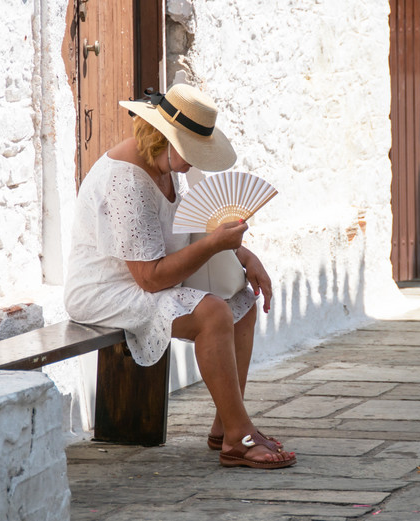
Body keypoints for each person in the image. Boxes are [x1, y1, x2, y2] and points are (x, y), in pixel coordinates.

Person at [64, 83, 296, 469]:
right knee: (213, 313)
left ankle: (227, 426)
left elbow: (195, 225)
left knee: (241, 300)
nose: (192, 163)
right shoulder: (126, 182)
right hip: (105, 289)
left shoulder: (164, 162)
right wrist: (215, 246)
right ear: (161, 137)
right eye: (189, 152)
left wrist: (243, 254)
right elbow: (150, 279)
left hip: (148, 275)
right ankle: (240, 438)